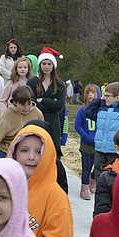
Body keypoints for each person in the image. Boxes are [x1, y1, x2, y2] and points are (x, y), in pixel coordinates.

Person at [27, 47, 69, 193]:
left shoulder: (60, 84)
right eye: (44, 63)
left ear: (53, 66)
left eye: (49, 64)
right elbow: (31, 103)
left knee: (52, 154)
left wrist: (43, 99)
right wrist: (51, 101)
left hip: (54, 123)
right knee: (36, 151)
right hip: (36, 120)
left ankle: (52, 183)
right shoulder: (32, 82)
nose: (46, 66)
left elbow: (59, 106)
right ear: (39, 65)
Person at [0, 85, 43, 171]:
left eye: (29, 104)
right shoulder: (7, 116)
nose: (26, 108)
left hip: (26, 152)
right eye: (22, 105)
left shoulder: (37, 114)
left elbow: (43, 136)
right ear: (16, 102)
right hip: (6, 150)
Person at [74, 83, 102, 200]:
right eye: (88, 93)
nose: (90, 95)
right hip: (86, 144)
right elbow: (77, 125)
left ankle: (93, 182)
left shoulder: (101, 110)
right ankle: (84, 188)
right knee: (86, 167)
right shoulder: (82, 110)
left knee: (98, 166)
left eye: (93, 92)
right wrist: (86, 136)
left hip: (99, 144)